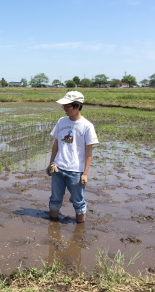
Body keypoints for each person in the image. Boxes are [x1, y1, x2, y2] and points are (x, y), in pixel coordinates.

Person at [46, 91, 99, 223]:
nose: (65, 109)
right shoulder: (61, 121)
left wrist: (85, 174)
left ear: (78, 106)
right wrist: (51, 163)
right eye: (64, 106)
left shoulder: (87, 126)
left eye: (68, 106)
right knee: (55, 198)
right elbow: (56, 144)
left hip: (75, 171)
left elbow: (89, 152)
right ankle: (53, 224)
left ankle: (80, 230)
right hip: (58, 168)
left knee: (78, 201)